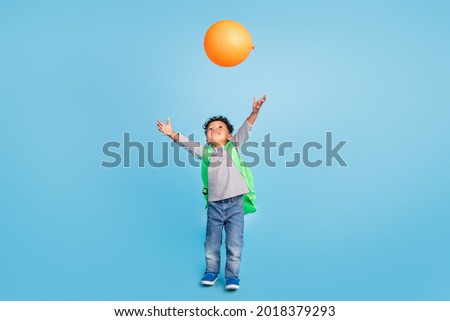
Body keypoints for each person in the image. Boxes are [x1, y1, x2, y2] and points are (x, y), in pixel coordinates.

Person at [156, 95, 267, 290]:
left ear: (229, 136)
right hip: (215, 206)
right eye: (210, 129)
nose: (214, 129)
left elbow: (245, 129)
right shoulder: (205, 152)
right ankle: (211, 272)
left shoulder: (233, 146)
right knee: (211, 243)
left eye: (220, 128)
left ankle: (232, 276)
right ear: (207, 138)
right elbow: (188, 145)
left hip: (235, 205)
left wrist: (255, 112)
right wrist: (172, 134)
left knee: (234, 243)